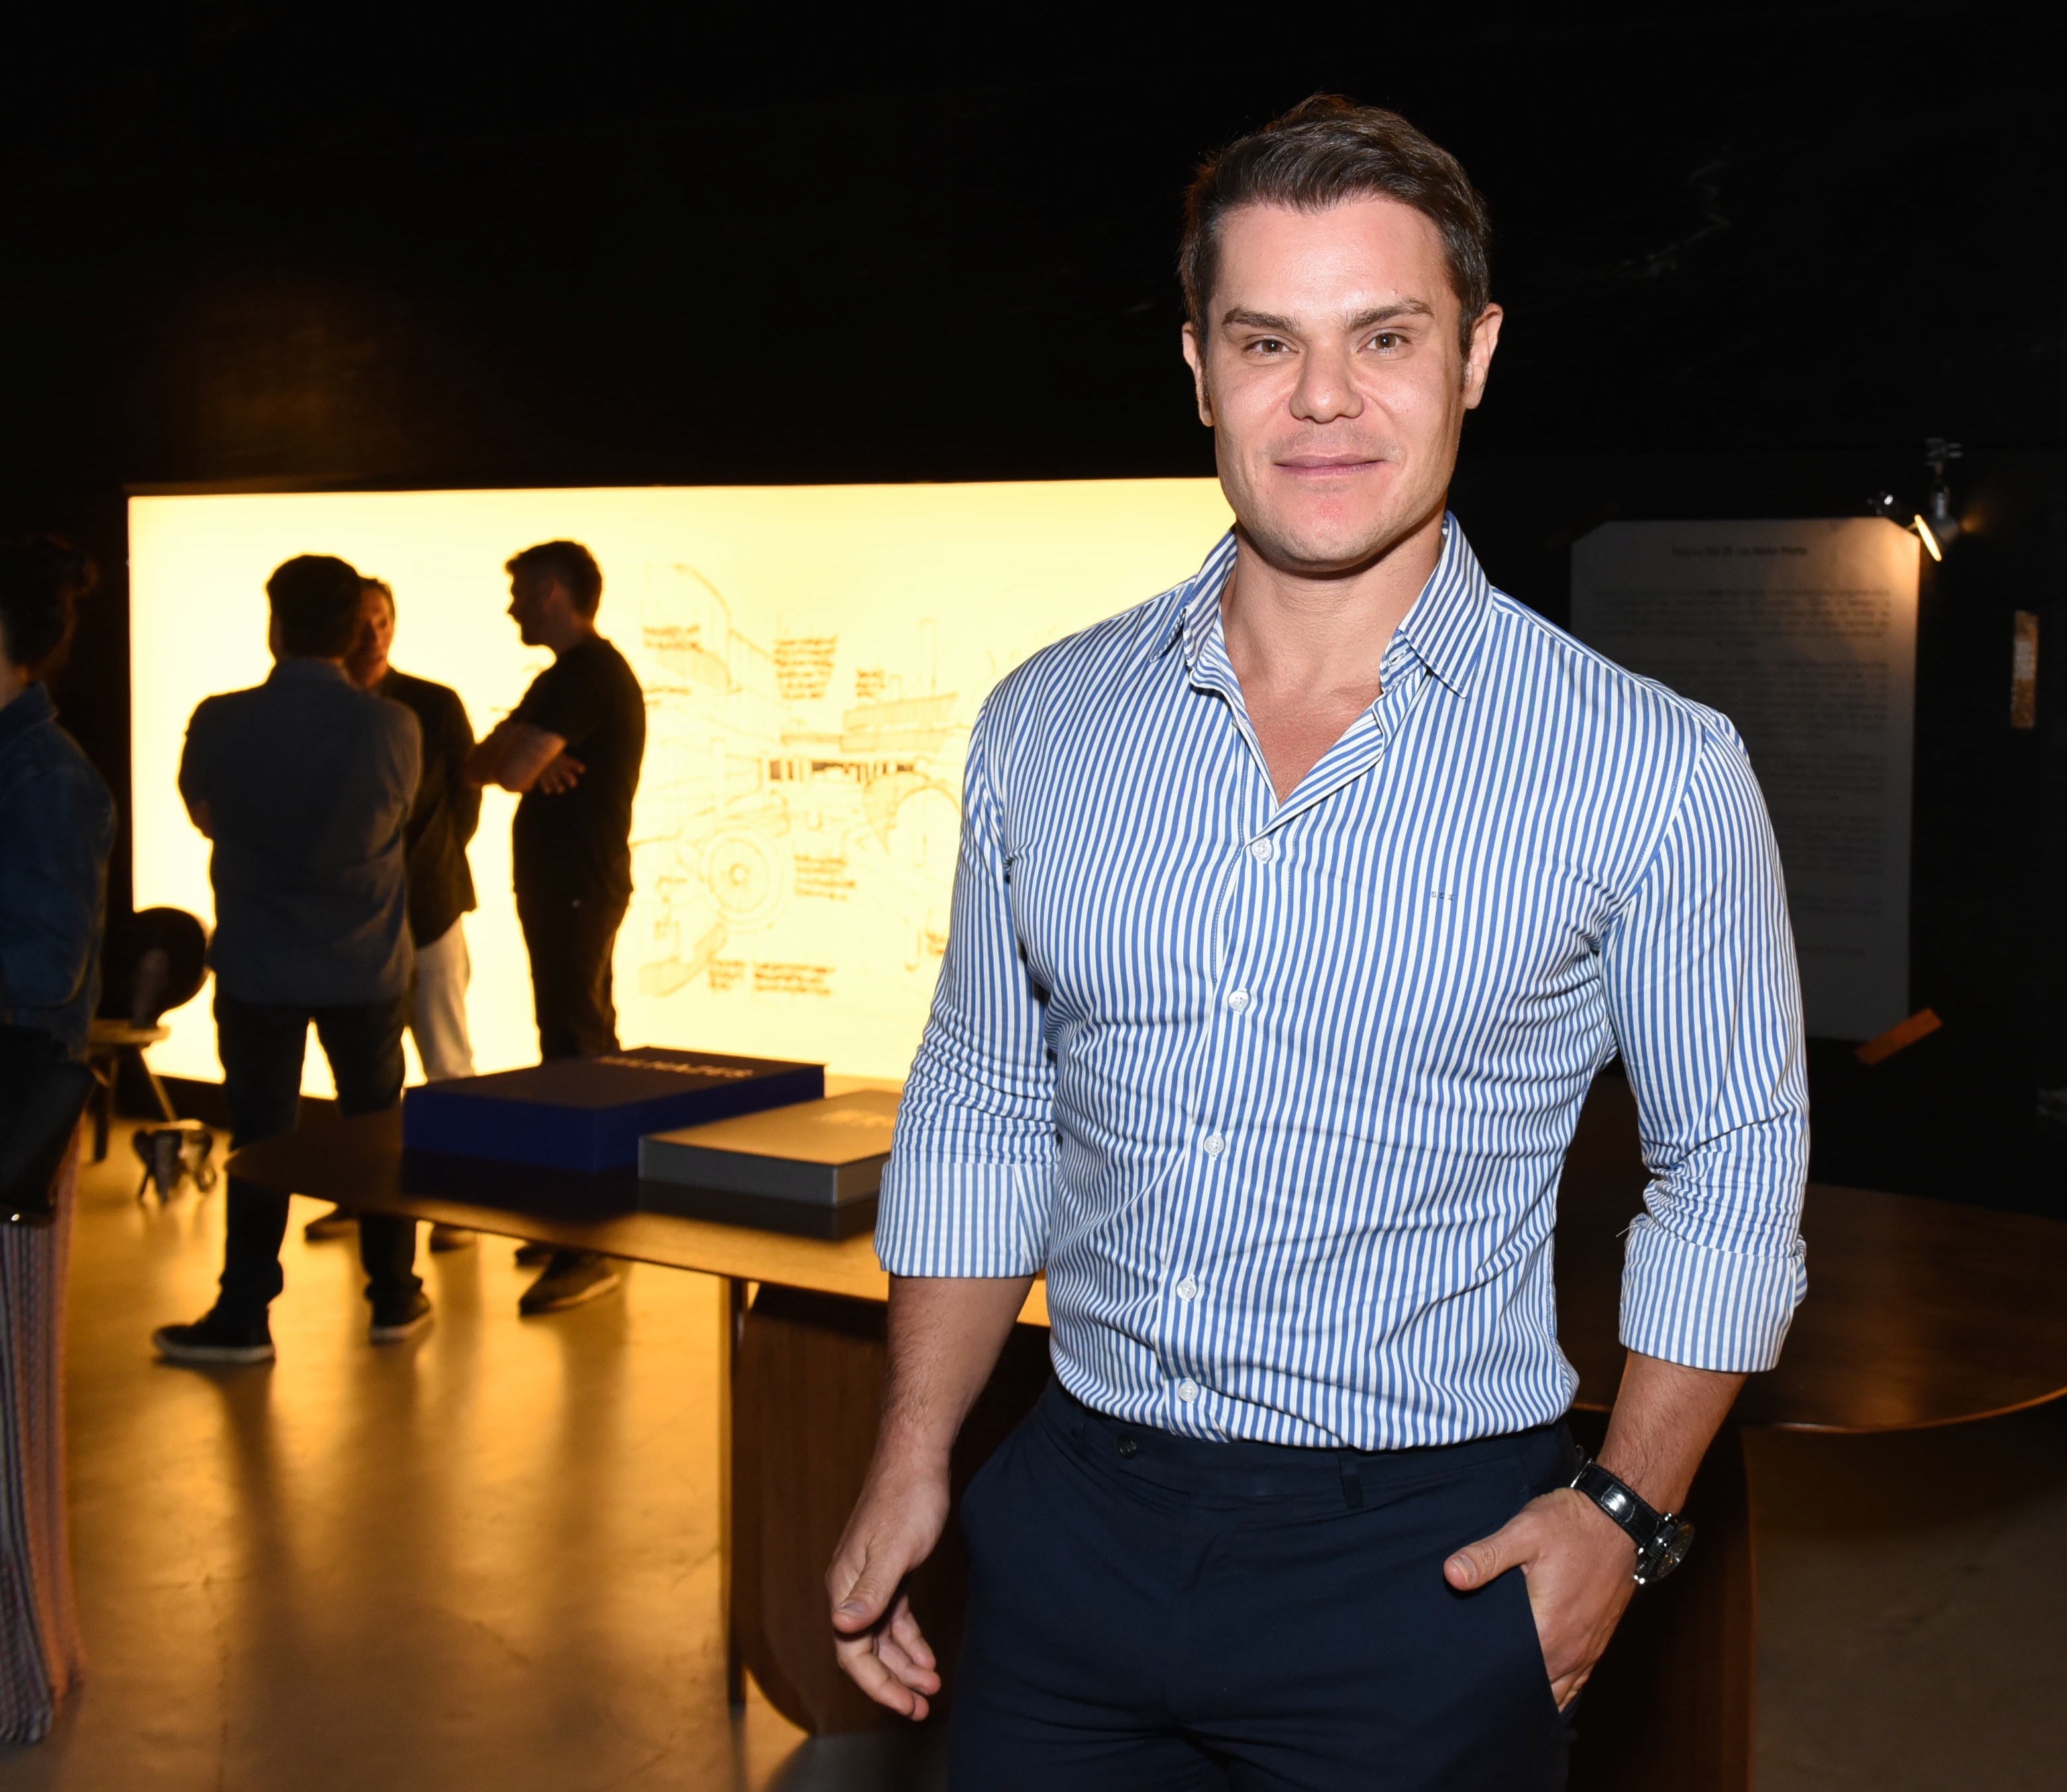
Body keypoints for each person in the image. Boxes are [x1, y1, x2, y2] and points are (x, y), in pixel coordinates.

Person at [826, 98, 1808, 1790]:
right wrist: (913, 1449)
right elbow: (985, 1099)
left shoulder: (1650, 766)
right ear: (1198, 367)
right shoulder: (1045, 721)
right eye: (1266, 339)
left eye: (1385, 336)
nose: (1324, 398)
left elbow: (1732, 1164)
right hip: (1067, 1518)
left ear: (1474, 354)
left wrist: (1622, 1512)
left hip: (1425, 1560)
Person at [154, 554, 431, 1365]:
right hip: (366, 965)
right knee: (379, 1132)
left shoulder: (221, 720)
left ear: (275, 624)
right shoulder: (394, 726)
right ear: (353, 632)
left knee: (260, 1136)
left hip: (258, 961)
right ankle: (394, 1295)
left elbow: (204, 813)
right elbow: (396, 820)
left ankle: (244, 1312)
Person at [465, 540, 645, 1315]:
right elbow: (479, 762)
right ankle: (582, 1220)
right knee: (574, 1046)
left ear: (550, 592)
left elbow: (504, 769)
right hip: (567, 886)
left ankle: (591, 1242)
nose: (511, 606)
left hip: (577, 885)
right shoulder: (564, 677)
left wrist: (525, 755)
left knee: (578, 1053)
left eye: (520, 592)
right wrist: (526, 753)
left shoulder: (584, 676)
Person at [0, 535, 111, 1740]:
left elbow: (42, 969)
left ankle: (15, 1677)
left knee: (4, 1421)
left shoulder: (43, 774)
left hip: (11, 1125)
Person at [303, 576, 483, 1252]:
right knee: (362, 1065)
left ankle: (459, 1199)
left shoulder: (433, 704)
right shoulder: (328, 710)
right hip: (354, 918)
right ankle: (365, 1194)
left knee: (446, 1056)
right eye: (362, 621)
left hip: (430, 904)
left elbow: (463, 804)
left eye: (382, 620)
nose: (373, 633)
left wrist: (426, 864)